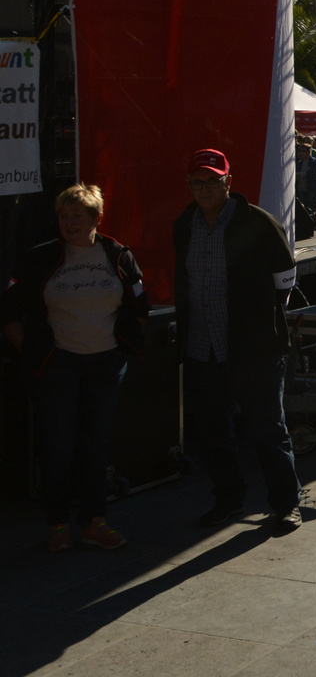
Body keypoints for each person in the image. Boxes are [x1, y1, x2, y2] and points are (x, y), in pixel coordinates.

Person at [1, 184, 148, 551]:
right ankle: (57, 526)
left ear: (96, 219)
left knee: (95, 446)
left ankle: (94, 522)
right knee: (57, 447)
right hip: (58, 366)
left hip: (104, 364)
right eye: (64, 216)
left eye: (77, 216)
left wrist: (121, 350)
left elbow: (139, 307)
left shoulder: (118, 255)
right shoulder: (41, 258)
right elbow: (6, 313)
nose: (69, 222)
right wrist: (33, 354)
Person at [174, 149, 302, 532]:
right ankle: (228, 499)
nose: (205, 188)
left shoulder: (257, 223)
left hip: (253, 350)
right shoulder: (184, 225)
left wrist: (257, 322)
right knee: (212, 431)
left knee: (267, 430)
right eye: (197, 182)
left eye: (212, 180)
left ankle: (285, 504)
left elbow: (286, 281)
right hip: (202, 349)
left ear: (228, 181)